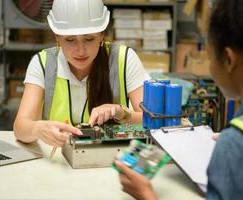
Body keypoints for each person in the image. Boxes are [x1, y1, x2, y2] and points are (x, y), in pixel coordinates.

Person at [115, 0, 243, 199]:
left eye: (210, 57)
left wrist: (146, 195)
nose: (210, 67)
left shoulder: (238, 144)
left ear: (229, 60)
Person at [13, 0, 150, 148]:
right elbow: (20, 128)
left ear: (102, 35)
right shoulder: (43, 64)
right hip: (59, 160)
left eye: (89, 39)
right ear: (57, 37)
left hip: (111, 159)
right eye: (70, 40)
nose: (80, 51)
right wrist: (37, 129)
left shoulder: (123, 59)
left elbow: (153, 121)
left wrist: (121, 113)